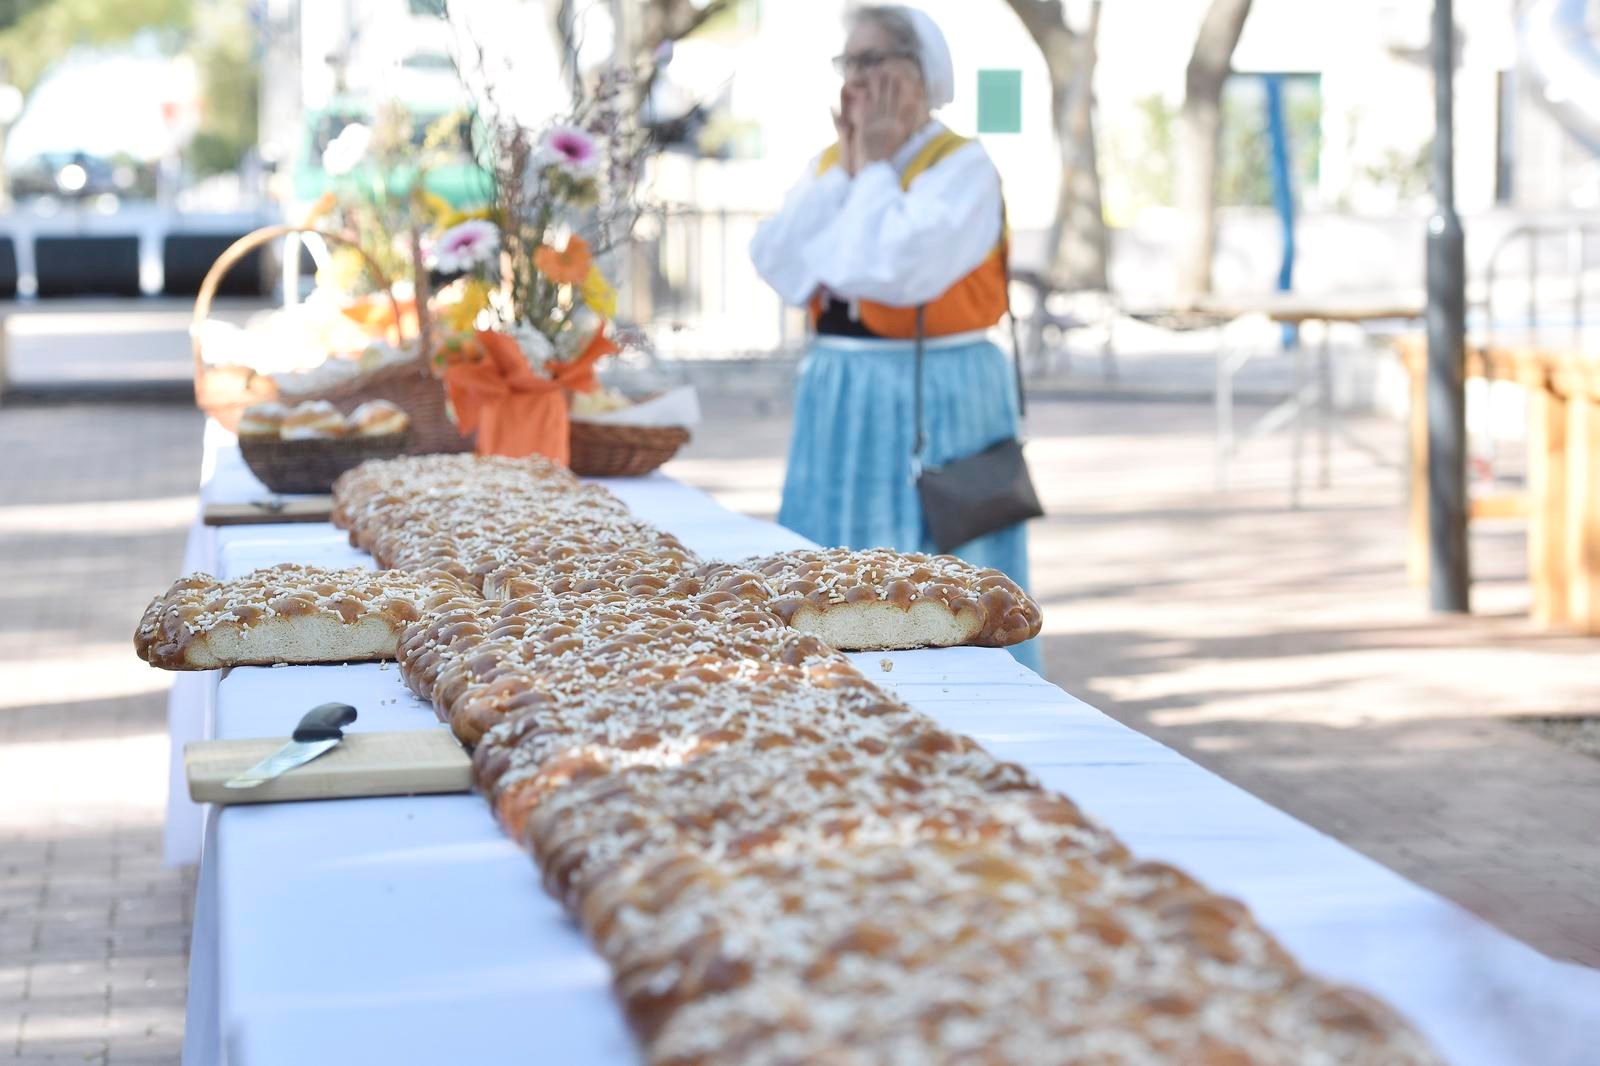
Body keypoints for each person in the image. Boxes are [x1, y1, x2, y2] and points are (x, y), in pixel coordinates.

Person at [749, 3, 1040, 669]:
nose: (856, 79)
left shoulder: (961, 166)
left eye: (873, 61)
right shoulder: (837, 163)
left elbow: (889, 269)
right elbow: (779, 263)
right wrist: (852, 170)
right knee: (826, 553)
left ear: (922, 72)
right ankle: (825, 678)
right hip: (844, 384)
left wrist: (874, 169)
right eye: (848, 62)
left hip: (936, 387)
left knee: (938, 561)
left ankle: (961, 692)